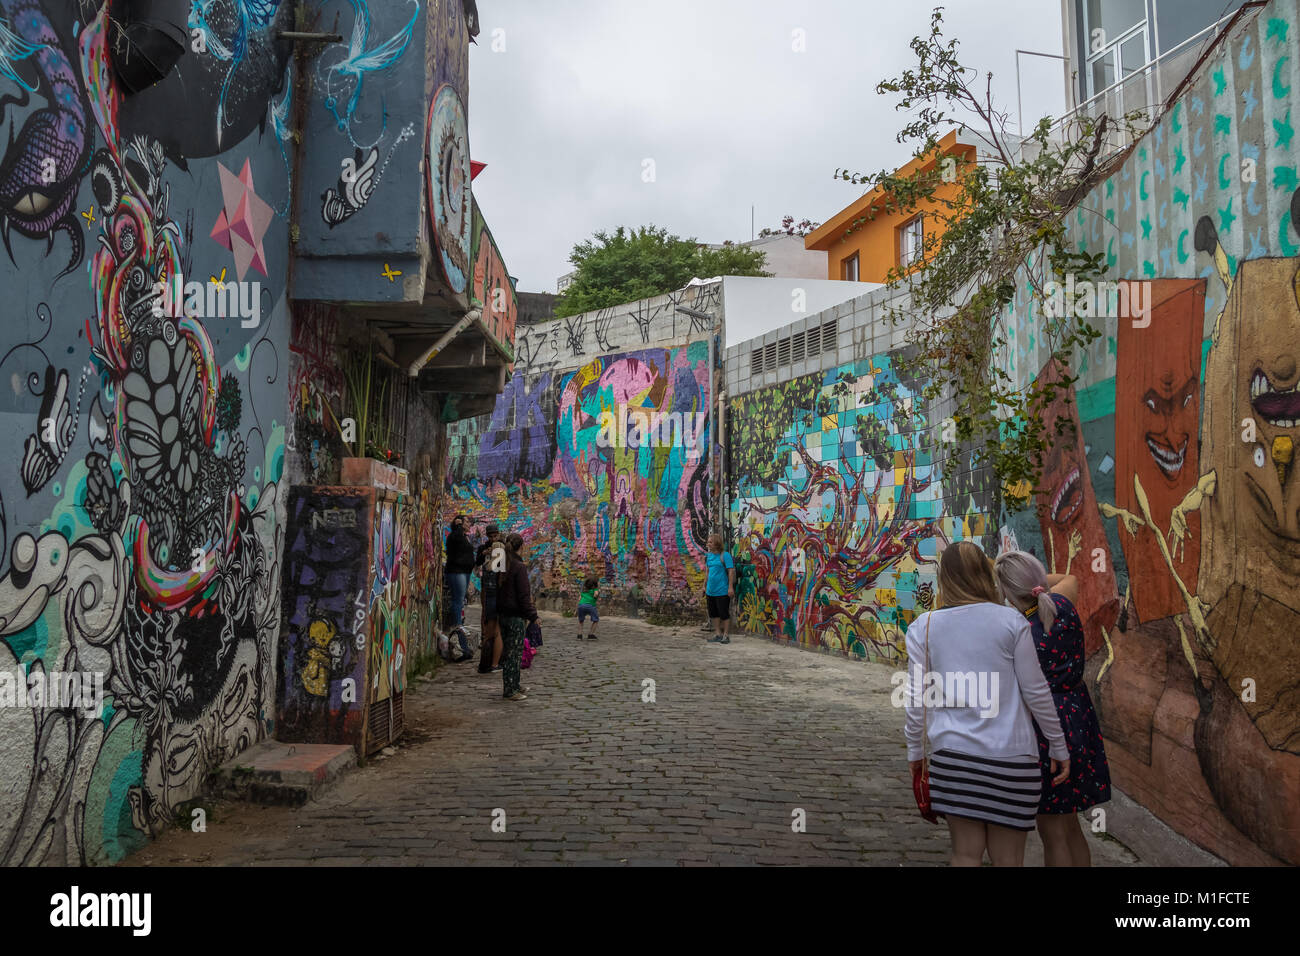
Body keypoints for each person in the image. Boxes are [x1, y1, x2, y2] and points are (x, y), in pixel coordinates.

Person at [903, 540, 1071, 867]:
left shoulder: (923, 627)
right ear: (984, 573)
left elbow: (915, 699)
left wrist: (915, 752)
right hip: (1013, 761)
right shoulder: (1012, 622)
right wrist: (1058, 746)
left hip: (953, 759)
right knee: (1009, 860)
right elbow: (1036, 691)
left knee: (965, 854)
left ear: (944, 579)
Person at [994, 550, 1111, 867]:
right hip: (1078, 717)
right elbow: (1068, 578)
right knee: (1071, 825)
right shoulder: (1062, 604)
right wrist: (1030, 582)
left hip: (1047, 726)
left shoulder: (1020, 631)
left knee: (1053, 831)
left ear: (1006, 590)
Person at [496, 533, 538, 702]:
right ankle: (510, 689)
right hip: (515, 616)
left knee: (509, 652)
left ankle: (514, 683)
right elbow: (523, 595)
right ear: (521, 547)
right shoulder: (519, 567)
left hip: (503, 614)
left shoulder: (502, 564)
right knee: (514, 654)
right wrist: (533, 615)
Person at [475, 525, 506, 673]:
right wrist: (484, 553)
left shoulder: (501, 547)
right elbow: (479, 562)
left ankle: (491, 658)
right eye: (491, 536)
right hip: (489, 587)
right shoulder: (485, 546)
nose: (493, 538)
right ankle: (490, 656)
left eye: (495, 535)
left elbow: (502, 568)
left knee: (494, 621)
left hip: (496, 587)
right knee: (488, 618)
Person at [443, 514, 475, 629]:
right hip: (456, 571)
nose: (469, 524)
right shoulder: (455, 536)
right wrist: (458, 527)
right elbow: (457, 541)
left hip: (464, 572)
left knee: (460, 600)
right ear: (460, 523)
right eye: (466, 522)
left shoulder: (464, 536)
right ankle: (457, 625)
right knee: (458, 599)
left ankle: (458, 623)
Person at [705, 534, 735, 644]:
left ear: (717, 543)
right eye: (708, 542)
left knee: (724, 613)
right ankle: (718, 634)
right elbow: (707, 572)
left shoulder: (725, 555)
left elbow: (731, 571)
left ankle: (726, 635)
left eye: (710, 542)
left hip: (722, 590)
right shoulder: (709, 556)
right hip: (710, 591)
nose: (708, 544)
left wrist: (730, 587)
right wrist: (704, 586)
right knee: (713, 614)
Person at [577, 576, 600, 640]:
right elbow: (596, 594)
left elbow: (579, 599)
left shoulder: (584, 591)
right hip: (590, 605)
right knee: (596, 620)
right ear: (595, 583)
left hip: (581, 605)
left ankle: (579, 635)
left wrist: (577, 607)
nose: (599, 583)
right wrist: (595, 597)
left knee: (581, 621)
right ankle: (590, 634)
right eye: (598, 582)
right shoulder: (595, 589)